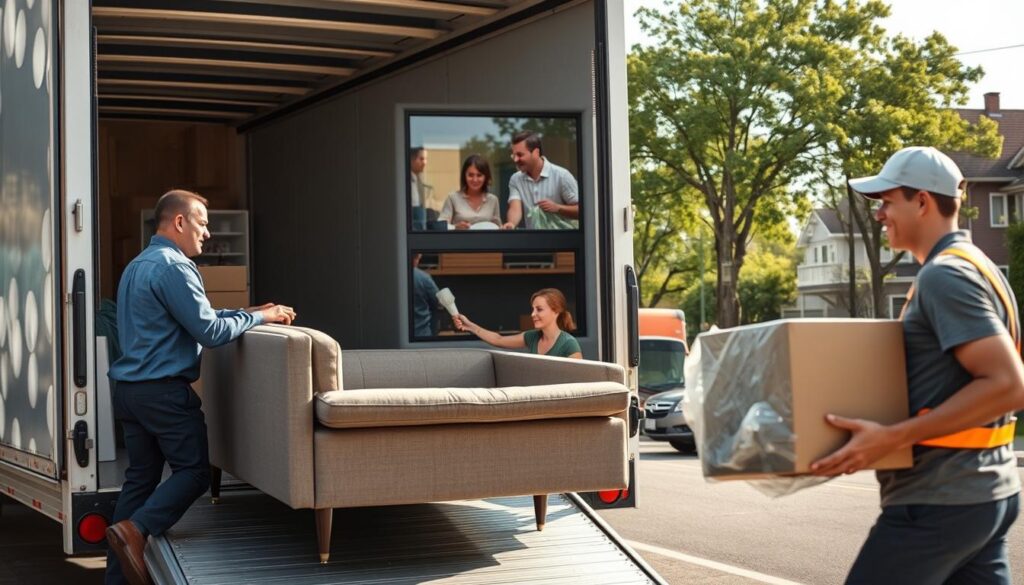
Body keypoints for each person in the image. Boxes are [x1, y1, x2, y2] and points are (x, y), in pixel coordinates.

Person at [809, 147, 1024, 584]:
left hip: (940, 502)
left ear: (922, 202)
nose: (879, 214)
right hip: (983, 493)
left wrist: (891, 437)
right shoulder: (981, 267)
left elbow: (1007, 384)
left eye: (887, 202)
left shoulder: (945, 276)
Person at [104, 190, 295, 585]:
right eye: (202, 223)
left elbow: (198, 316)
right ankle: (136, 532)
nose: (207, 233)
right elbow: (209, 331)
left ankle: (116, 578)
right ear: (178, 222)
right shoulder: (175, 267)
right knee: (193, 472)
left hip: (129, 393)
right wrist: (260, 319)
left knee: (140, 480)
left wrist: (254, 312)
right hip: (163, 394)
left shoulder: (136, 266)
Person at [454, 288, 582, 358]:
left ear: (556, 311)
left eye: (539, 309)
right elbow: (498, 339)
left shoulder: (568, 344)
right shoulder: (532, 337)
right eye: (532, 309)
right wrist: (470, 326)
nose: (533, 314)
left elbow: (578, 387)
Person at [502, 131, 579, 230]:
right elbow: (515, 208)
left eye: (520, 155)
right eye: (513, 155)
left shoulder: (562, 175)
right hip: (534, 243)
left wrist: (558, 208)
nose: (515, 159)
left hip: (563, 242)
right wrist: (511, 224)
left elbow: (583, 211)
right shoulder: (515, 179)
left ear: (536, 152)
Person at [439, 154, 501, 229]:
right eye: (471, 175)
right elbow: (440, 226)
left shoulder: (493, 200)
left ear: (486, 177)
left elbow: (498, 227)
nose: (475, 179)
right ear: (464, 176)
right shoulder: (452, 198)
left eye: (479, 175)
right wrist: (455, 227)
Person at [411, 253, 441, 338]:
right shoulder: (423, 278)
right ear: (416, 258)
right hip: (421, 334)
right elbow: (439, 302)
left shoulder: (391, 275)